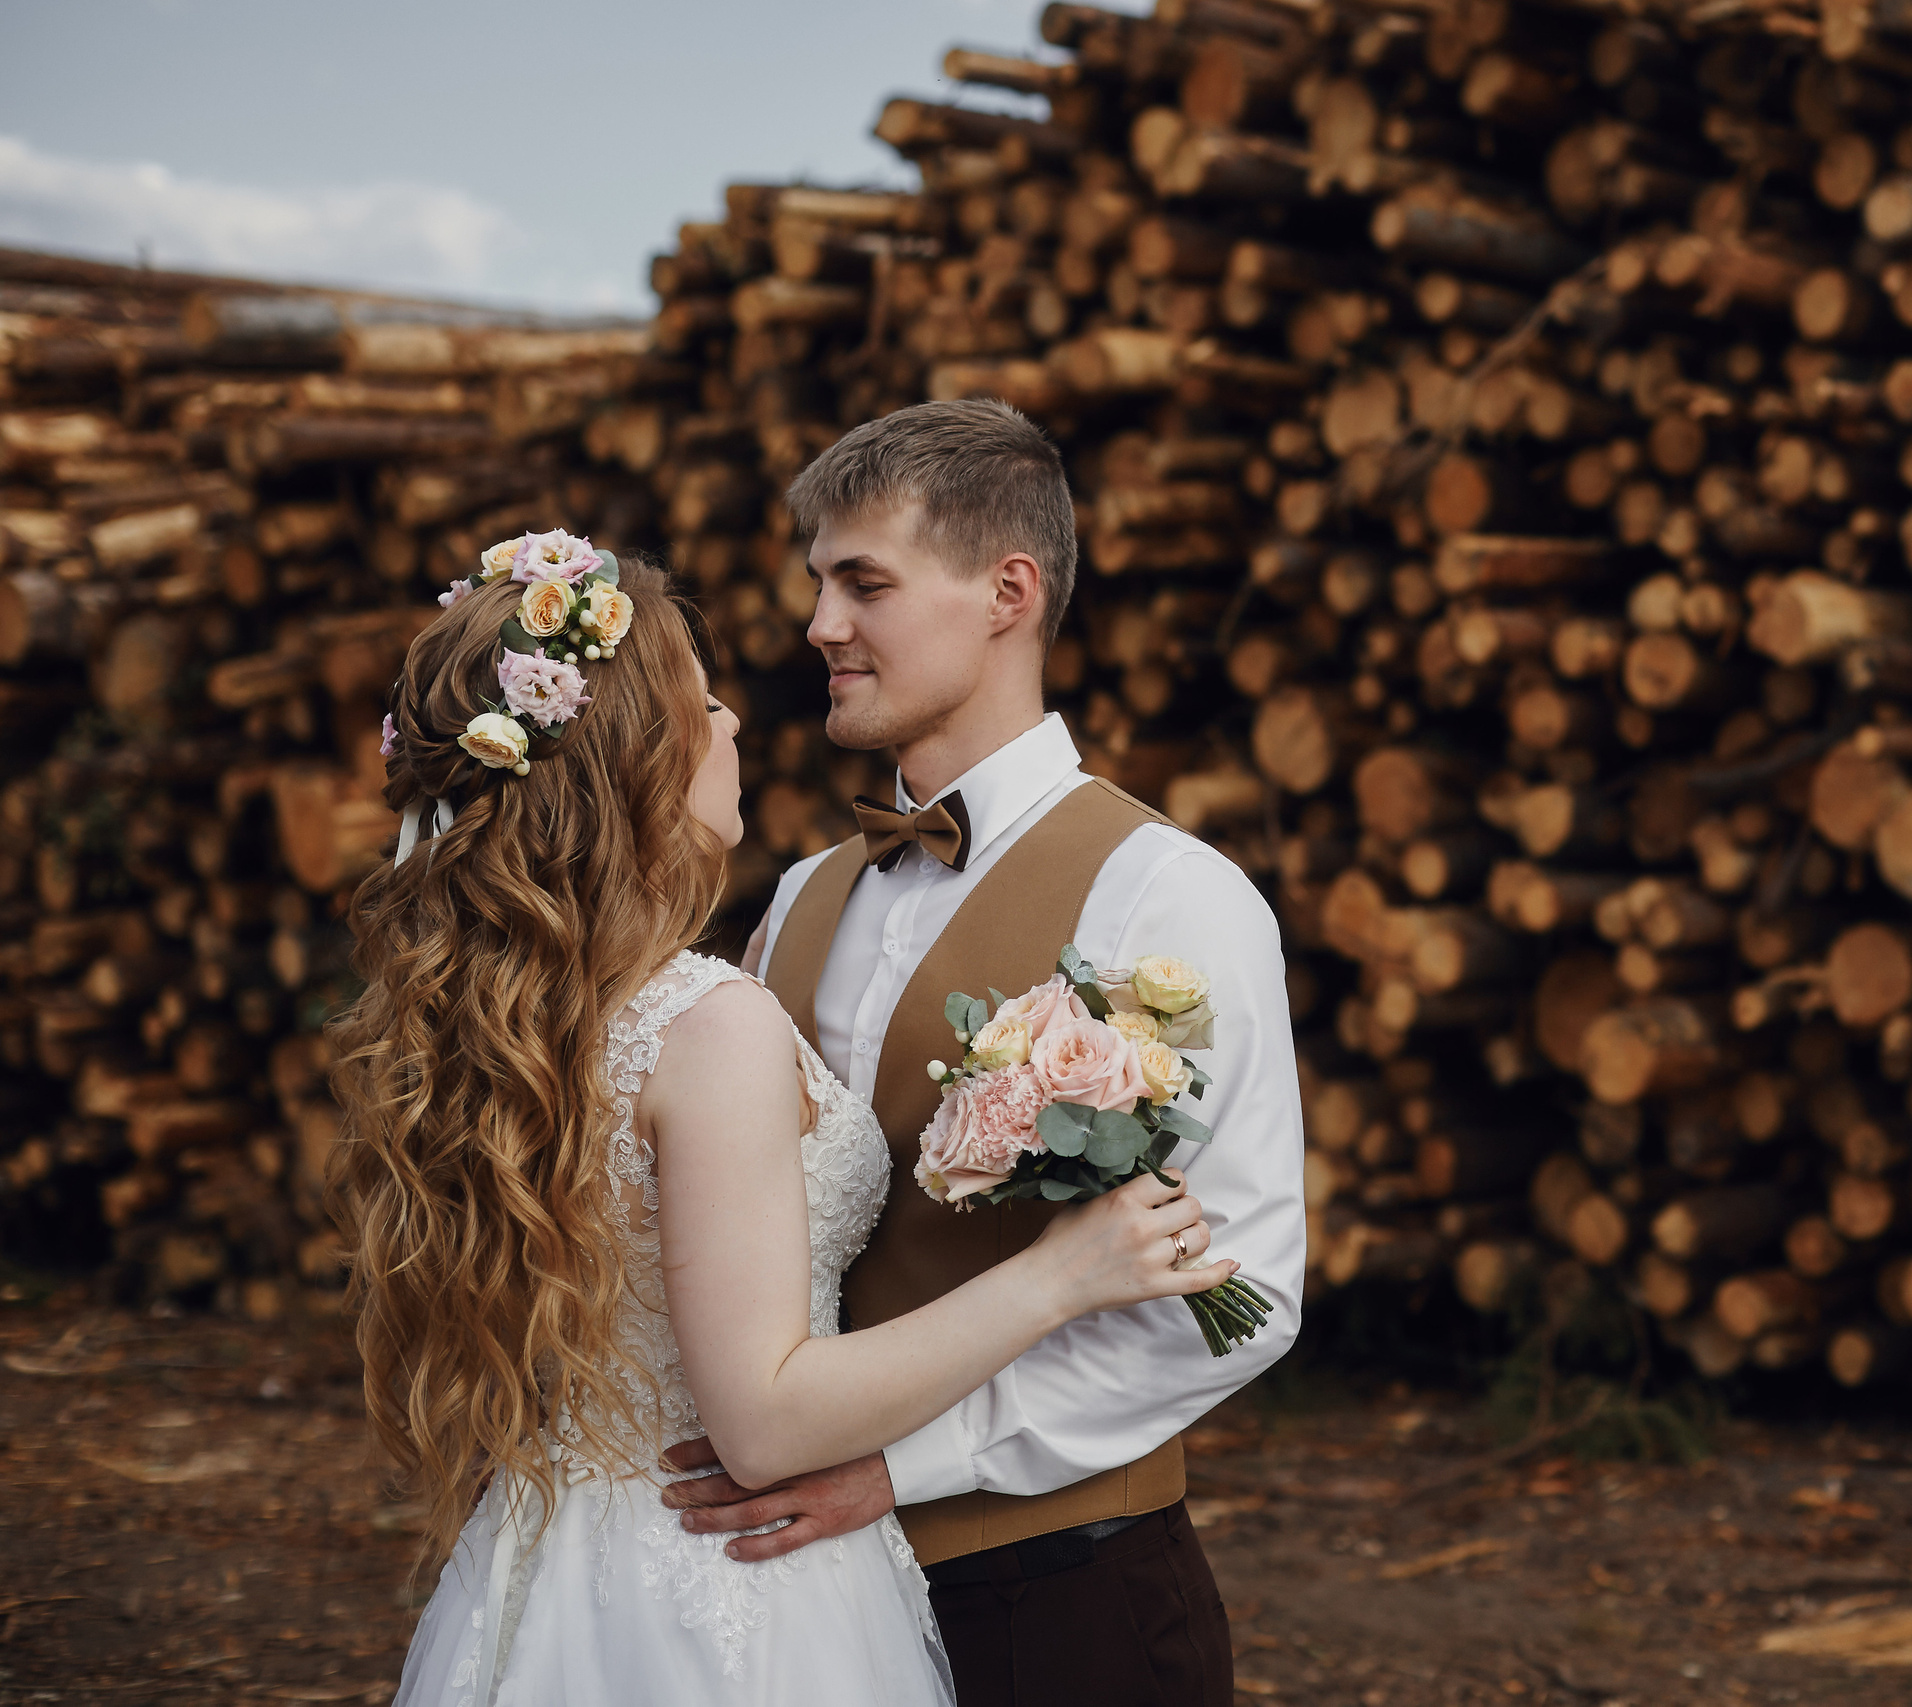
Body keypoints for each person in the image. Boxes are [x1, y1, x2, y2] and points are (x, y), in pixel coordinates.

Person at [332, 540, 1235, 1706]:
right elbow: (760, 1422)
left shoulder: (545, 1008)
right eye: (699, 700)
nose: (733, 719)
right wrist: (1061, 1275)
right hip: (731, 1591)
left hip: (561, 1554)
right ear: (636, 761)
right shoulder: (708, 1021)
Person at [663, 398, 1305, 1707]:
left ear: (1008, 590)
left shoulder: (1165, 898)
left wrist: (912, 1464)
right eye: (818, 584)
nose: (820, 626)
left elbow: (1233, 1291)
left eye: (864, 583)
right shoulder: (794, 900)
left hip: (1059, 1597)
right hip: (793, 1603)